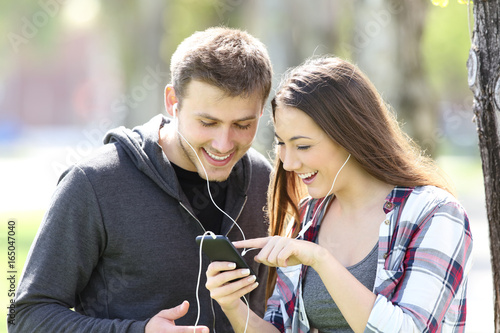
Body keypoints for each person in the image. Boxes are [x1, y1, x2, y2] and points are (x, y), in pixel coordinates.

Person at [11, 27, 273, 333]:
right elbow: (27, 318)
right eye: (208, 122)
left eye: (242, 124)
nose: (224, 143)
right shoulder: (95, 183)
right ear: (172, 100)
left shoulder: (264, 180)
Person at [205, 56, 473, 332]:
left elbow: (412, 328)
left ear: (349, 136)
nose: (288, 163)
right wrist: (233, 305)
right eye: (282, 144)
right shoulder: (310, 217)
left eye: (303, 146)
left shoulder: (435, 214)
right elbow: (281, 327)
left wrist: (320, 260)